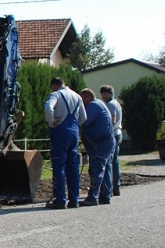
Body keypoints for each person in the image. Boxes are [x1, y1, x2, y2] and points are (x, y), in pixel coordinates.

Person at [43, 77, 87, 209]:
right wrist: (74, 125)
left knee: (59, 166)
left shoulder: (55, 94)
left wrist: (51, 121)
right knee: (73, 167)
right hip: (74, 133)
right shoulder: (77, 96)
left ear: (54, 85)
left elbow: (48, 107)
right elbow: (83, 117)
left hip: (60, 132)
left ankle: (60, 200)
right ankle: (74, 200)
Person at [79, 88, 115, 206]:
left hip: (99, 143)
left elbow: (83, 121)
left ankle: (93, 197)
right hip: (106, 141)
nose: (82, 102)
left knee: (96, 169)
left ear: (88, 97)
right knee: (106, 168)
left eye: (82, 99)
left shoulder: (93, 106)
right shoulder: (100, 104)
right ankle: (105, 195)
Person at [100, 85, 122, 196]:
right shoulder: (116, 103)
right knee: (115, 162)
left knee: (109, 162)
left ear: (110, 93)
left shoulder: (110, 105)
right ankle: (116, 187)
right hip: (118, 133)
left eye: (105, 93)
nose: (103, 96)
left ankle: (109, 188)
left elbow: (112, 120)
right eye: (102, 93)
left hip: (112, 134)